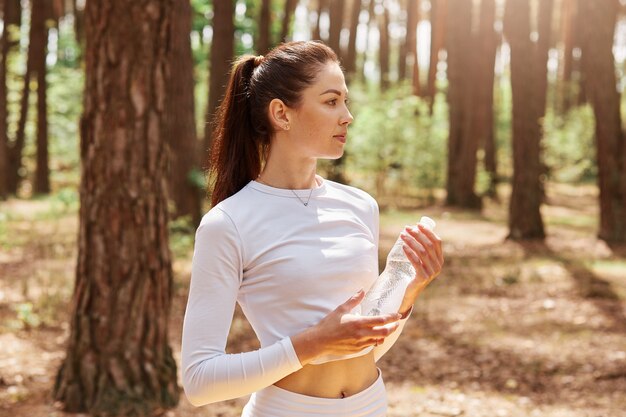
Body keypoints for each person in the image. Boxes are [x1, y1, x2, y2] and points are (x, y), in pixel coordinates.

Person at [181, 40, 444, 417]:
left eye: (346, 101)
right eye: (331, 101)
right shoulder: (229, 224)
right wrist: (311, 344)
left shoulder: (360, 205)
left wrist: (407, 292)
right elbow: (200, 382)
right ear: (281, 114)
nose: (347, 116)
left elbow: (365, 346)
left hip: (369, 406)